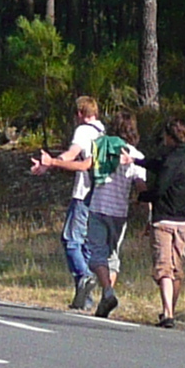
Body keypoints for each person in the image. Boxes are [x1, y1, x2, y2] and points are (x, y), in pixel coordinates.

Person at [28, 91, 106, 309]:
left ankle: (84, 276)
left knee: (70, 239)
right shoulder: (102, 131)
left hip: (83, 193)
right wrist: (51, 163)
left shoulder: (83, 131)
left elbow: (73, 153)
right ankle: (84, 299)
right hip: (101, 196)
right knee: (85, 244)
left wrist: (52, 162)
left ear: (80, 113)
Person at [137, 118, 185, 327]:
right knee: (177, 267)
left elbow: (160, 187)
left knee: (163, 266)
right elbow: (159, 166)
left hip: (164, 217)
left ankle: (167, 313)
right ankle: (170, 309)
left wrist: (142, 197)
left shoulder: (170, 159)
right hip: (184, 219)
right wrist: (138, 161)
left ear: (170, 137)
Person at [82, 112, 144, 317]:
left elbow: (89, 167)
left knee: (96, 254)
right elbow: (141, 185)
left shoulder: (102, 147)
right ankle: (105, 297)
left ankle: (108, 291)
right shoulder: (135, 155)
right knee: (112, 255)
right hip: (120, 211)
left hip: (100, 206)